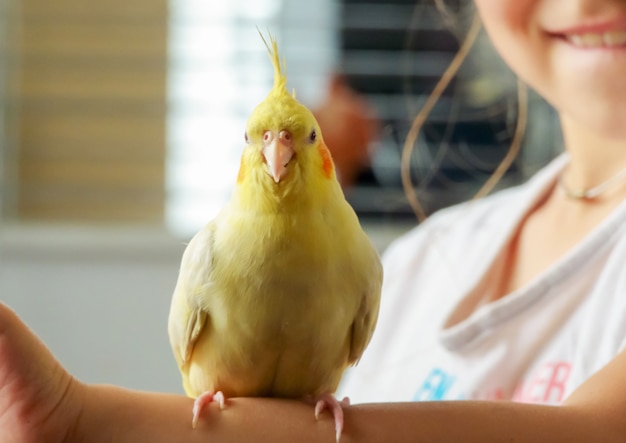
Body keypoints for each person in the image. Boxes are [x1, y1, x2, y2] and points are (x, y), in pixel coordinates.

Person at [3, 0, 626, 441]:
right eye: (263, 142)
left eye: (299, 139)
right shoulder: (426, 260)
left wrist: (82, 423)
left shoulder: (361, 265)